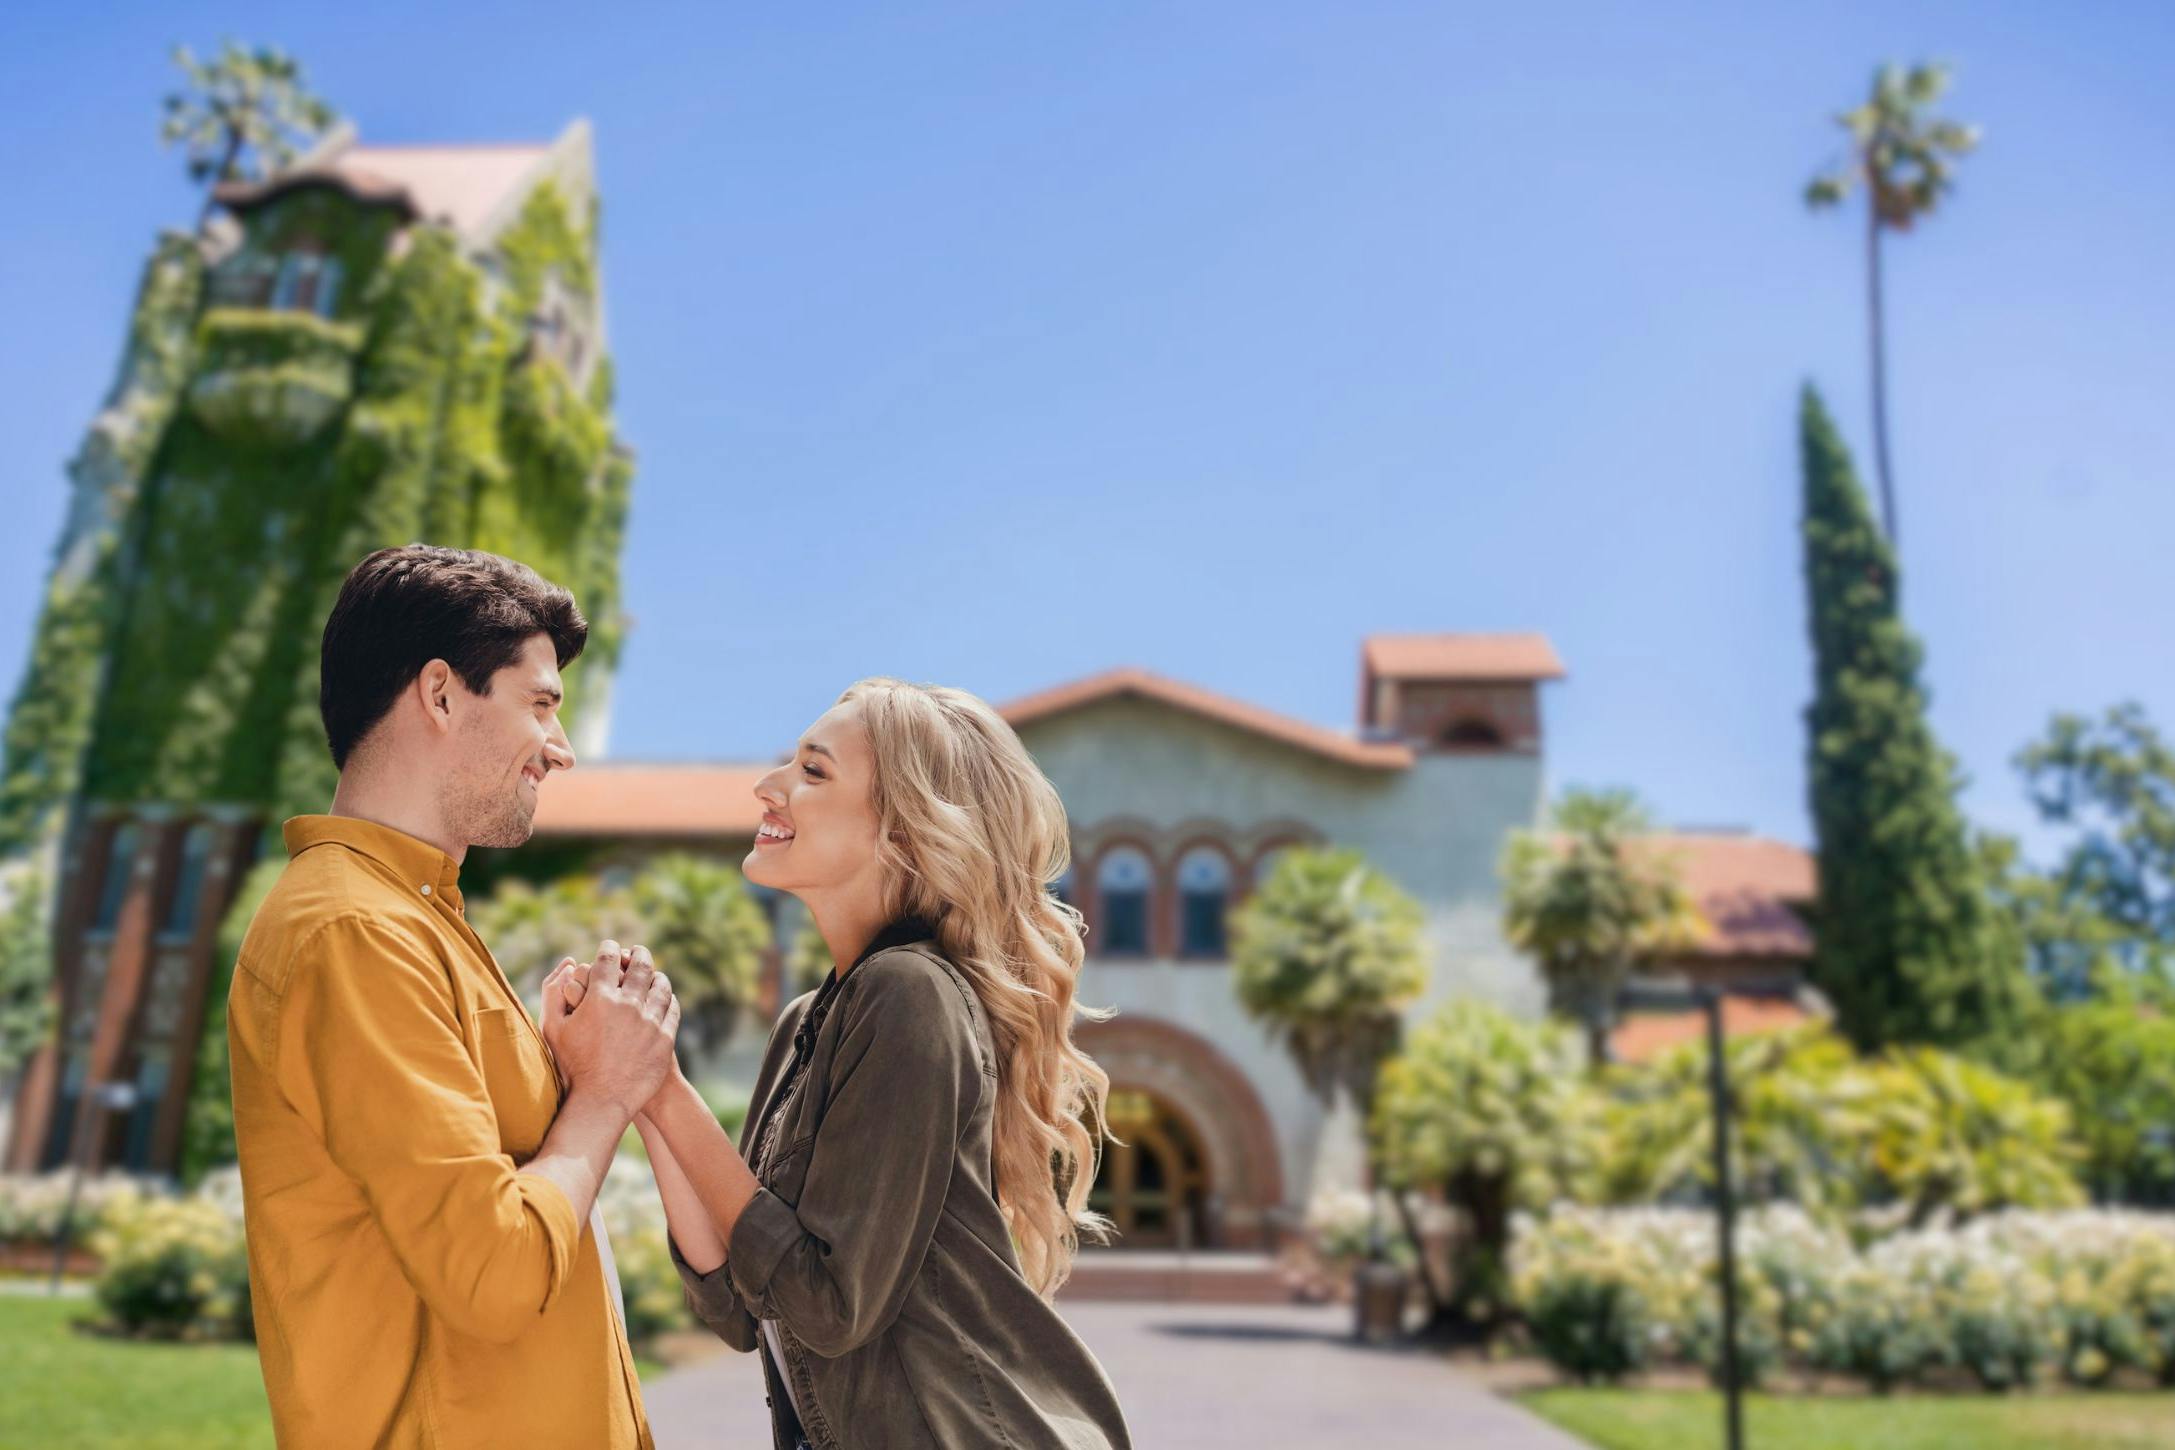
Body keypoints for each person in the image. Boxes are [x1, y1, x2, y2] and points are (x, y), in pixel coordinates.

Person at [555, 677, 1132, 1449]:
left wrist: (659, 1082)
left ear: (902, 829)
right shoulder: (809, 1022)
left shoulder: (910, 994)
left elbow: (829, 1308)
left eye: (813, 772)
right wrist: (650, 1083)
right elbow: (735, 1301)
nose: (768, 786)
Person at [228, 544, 676, 1448]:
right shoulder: (356, 932)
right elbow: (494, 1274)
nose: (561, 748)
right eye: (541, 705)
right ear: (439, 694)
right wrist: (602, 1097)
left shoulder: (415, 918)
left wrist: (563, 1073)